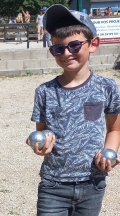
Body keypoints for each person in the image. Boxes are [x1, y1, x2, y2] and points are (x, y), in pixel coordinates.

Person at [29, 4, 120, 215]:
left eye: (75, 45)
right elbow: (41, 131)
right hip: (53, 185)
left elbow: (115, 130)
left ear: (93, 44)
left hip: (92, 183)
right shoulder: (44, 91)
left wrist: (111, 153)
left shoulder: (107, 87)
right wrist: (39, 144)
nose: (66, 53)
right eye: (58, 48)